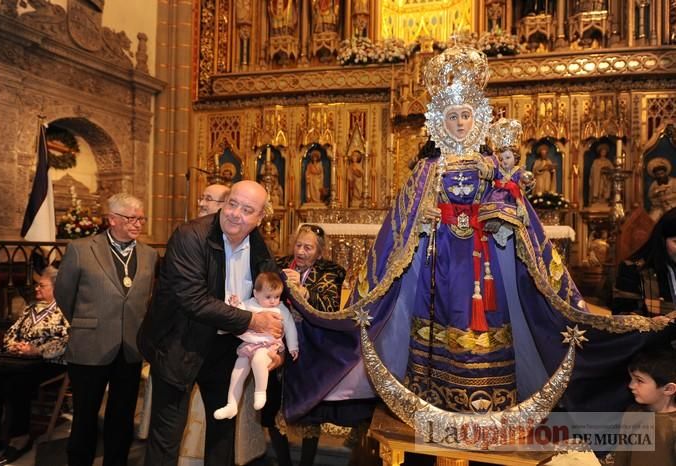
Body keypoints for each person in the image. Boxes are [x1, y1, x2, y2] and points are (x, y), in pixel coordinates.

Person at [281, 45, 670, 437]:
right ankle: (433, 392)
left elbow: (513, 209)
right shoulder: (427, 170)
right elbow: (401, 219)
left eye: (466, 115)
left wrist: (504, 209)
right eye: (452, 116)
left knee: (487, 321)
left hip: (484, 263)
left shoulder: (489, 166)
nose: (461, 122)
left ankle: (489, 394)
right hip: (440, 263)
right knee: (438, 323)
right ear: (439, 122)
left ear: (478, 118)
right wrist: (421, 219)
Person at [138, 180, 283, 466]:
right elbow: (193, 300)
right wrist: (253, 321)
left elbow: (271, 294)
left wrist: (274, 347)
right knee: (166, 436)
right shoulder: (190, 236)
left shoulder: (257, 245)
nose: (236, 214)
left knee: (222, 430)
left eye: (247, 209)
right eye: (232, 204)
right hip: (179, 343)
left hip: (225, 345)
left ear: (260, 218)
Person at [55, 193, 158, 466]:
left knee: (122, 417)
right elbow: (65, 294)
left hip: (130, 347)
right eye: (131, 218)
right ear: (112, 219)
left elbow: (148, 298)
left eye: (141, 218)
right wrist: (89, 322)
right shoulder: (81, 249)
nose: (138, 224)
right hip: (90, 344)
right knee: (85, 417)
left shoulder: (149, 254)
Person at [267, 224, 346, 466]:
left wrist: (303, 291)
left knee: (310, 410)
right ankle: (283, 462)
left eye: (308, 248)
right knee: (273, 408)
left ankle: (307, 463)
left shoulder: (330, 272)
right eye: (298, 245)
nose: (300, 252)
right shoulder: (280, 265)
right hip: (276, 343)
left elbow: (331, 307)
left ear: (319, 253)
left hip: (311, 348)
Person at [0, 266, 69, 465]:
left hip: (49, 362)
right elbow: (11, 332)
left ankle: (20, 437)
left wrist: (37, 350)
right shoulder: (31, 308)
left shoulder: (66, 310)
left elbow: (68, 341)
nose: (36, 288)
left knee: (16, 384)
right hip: (20, 360)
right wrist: (15, 346)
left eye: (42, 285)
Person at [214, 271, 298, 420]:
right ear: (256, 293)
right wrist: (235, 305)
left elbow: (290, 326)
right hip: (249, 344)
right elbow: (239, 312)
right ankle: (231, 405)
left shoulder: (281, 308)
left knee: (259, 360)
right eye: (268, 297)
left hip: (269, 345)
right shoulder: (249, 303)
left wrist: (293, 346)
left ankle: (260, 392)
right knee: (238, 372)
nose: (273, 301)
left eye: (277, 296)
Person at [613, 349, 676, 466]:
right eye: (632, 379)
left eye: (639, 380)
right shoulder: (633, 413)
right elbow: (622, 456)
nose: (631, 385)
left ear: (668, 389)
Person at [613, 207, 676, 324]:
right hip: (656, 340)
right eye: (675, 242)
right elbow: (620, 318)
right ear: (662, 240)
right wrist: (647, 323)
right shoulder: (633, 269)